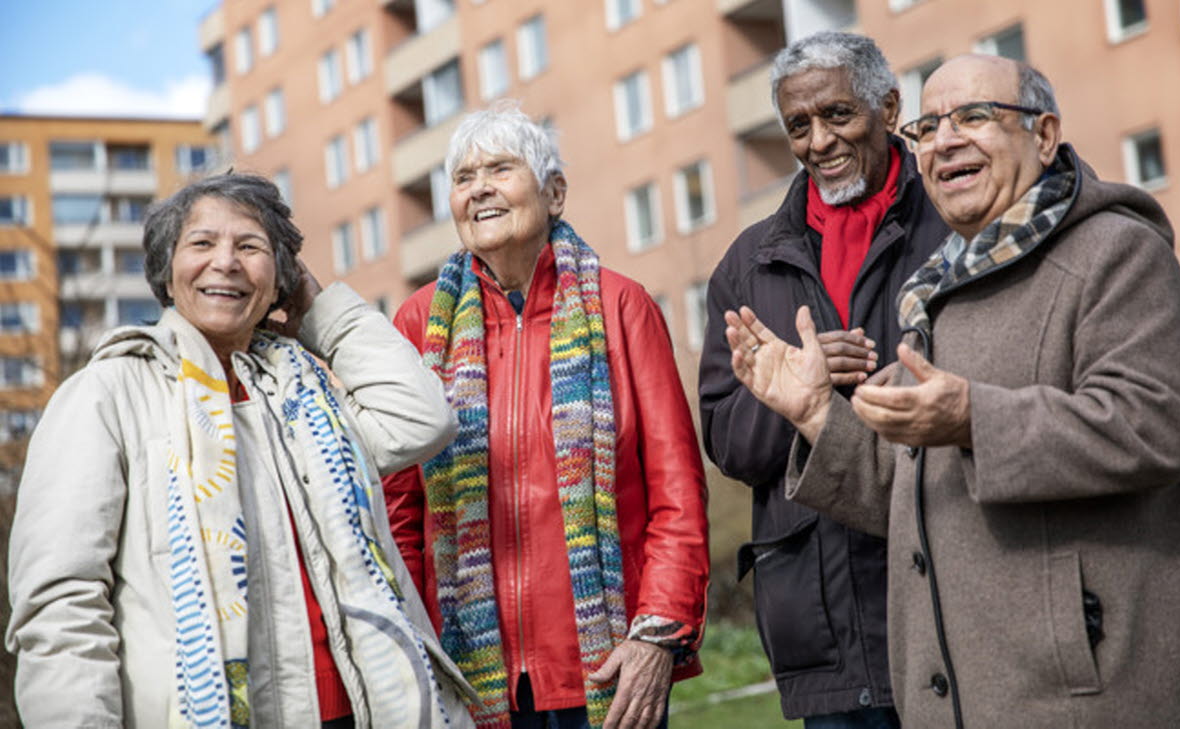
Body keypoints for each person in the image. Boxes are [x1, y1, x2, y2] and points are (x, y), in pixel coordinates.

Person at [725, 54, 1180, 728]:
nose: (945, 140)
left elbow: (1151, 427)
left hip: (1102, 693)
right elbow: (912, 490)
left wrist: (974, 418)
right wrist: (819, 413)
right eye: (930, 127)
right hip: (972, 695)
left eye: (974, 116)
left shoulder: (1117, 253)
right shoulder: (940, 289)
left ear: (1044, 134)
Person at [5, 173, 476, 728]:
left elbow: (422, 418)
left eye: (250, 247)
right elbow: (63, 609)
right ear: (166, 268)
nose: (225, 262)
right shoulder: (105, 395)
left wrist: (319, 312)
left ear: (281, 278)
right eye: (201, 243)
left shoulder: (304, 398)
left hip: (361, 712)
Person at [383, 104, 709, 729]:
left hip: (608, 665)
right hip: (467, 672)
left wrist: (657, 637)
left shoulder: (622, 307)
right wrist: (407, 646)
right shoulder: (419, 326)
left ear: (554, 191)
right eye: (462, 177)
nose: (478, 188)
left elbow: (677, 492)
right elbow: (400, 513)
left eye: (500, 169)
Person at [698, 31, 945, 728]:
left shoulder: (954, 224)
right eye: (798, 125)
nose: (818, 140)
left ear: (890, 106)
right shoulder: (748, 266)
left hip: (948, 603)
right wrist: (795, 399)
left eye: (838, 114)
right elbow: (727, 441)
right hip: (825, 630)